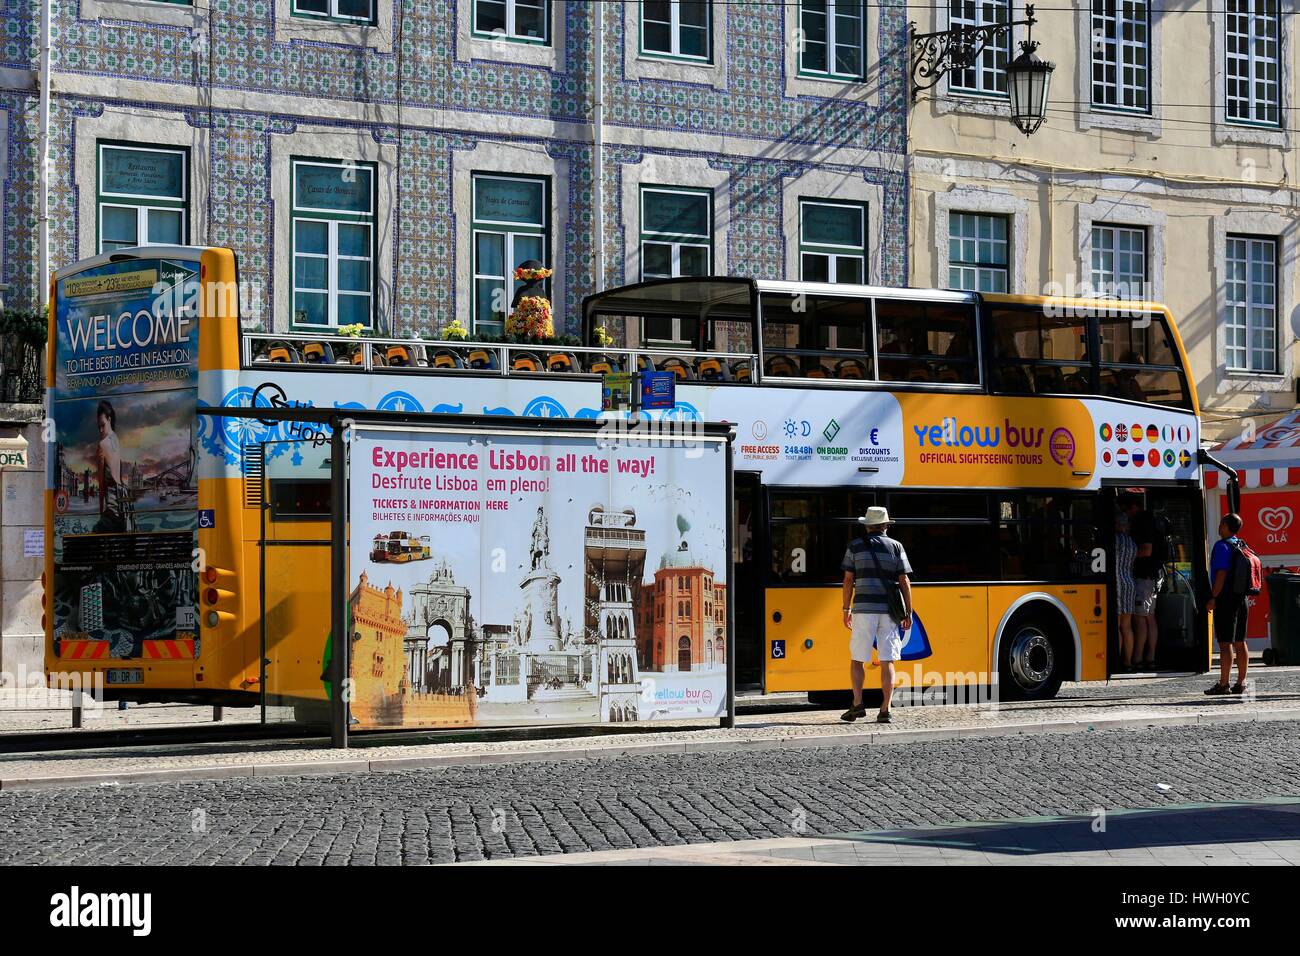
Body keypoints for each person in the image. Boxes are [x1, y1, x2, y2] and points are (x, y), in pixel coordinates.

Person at [840, 506, 913, 724]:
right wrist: (908, 611)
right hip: (889, 612)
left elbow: (848, 581)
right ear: (886, 525)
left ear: (867, 525)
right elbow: (904, 581)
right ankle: (885, 708)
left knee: (857, 659)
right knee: (887, 660)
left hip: (863, 610)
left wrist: (846, 609)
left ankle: (857, 703)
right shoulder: (896, 546)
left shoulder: (854, 547)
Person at [1206, 513, 1250, 695]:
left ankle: (1224, 684)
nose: (1219, 525)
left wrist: (1212, 597)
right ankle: (1241, 682)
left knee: (1225, 643)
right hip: (1242, 599)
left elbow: (1221, 575)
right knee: (1240, 641)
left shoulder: (1222, 546)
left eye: (1221, 522)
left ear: (1225, 526)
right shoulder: (1241, 544)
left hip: (1226, 600)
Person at [1125, 497, 1160, 669]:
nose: (1126, 516)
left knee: (1140, 618)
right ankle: (1150, 657)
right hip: (1152, 575)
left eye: (1126, 511)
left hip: (1143, 576)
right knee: (1149, 617)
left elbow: (1146, 550)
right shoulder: (1151, 519)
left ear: (1133, 507)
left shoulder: (1142, 522)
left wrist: (1128, 556)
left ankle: (1138, 657)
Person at [92, 400, 126, 534]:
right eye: (98, 427)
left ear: (109, 419)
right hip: (121, 509)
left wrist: (101, 512)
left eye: (102, 425)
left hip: (111, 511)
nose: (100, 430)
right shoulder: (116, 440)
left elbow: (101, 485)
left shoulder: (102, 445)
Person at [1114, 511, 1137, 671]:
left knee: (1116, 626)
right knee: (1127, 626)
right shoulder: (1132, 543)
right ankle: (1128, 661)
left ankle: (1116, 660)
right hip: (1129, 583)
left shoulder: (1113, 541)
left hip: (1116, 584)